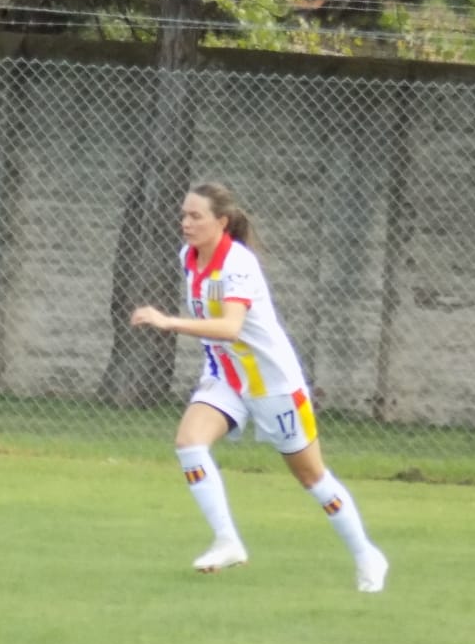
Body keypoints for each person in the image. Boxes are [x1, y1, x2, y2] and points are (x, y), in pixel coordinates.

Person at [129, 181, 389, 592]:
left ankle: (366, 555)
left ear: (222, 222)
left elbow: (230, 327)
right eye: (183, 215)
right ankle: (227, 541)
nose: (186, 223)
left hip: (273, 384)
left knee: (312, 478)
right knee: (189, 443)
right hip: (225, 376)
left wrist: (169, 322)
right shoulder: (188, 257)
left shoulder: (238, 263)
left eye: (196, 216)